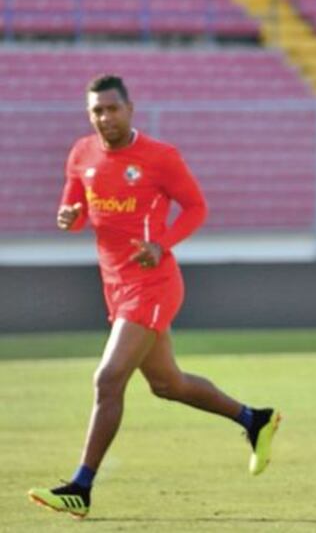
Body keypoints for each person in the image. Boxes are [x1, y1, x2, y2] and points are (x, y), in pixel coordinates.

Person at [27, 75, 281, 519]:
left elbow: (197, 206)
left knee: (108, 380)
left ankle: (80, 487)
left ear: (130, 109)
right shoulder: (81, 154)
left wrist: (162, 244)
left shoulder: (160, 157)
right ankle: (254, 419)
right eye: (96, 111)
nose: (105, 117)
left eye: (112, 108)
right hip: (115, 285)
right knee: (168, 384)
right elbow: (75, 208)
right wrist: (68, 217)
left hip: (154, 283)